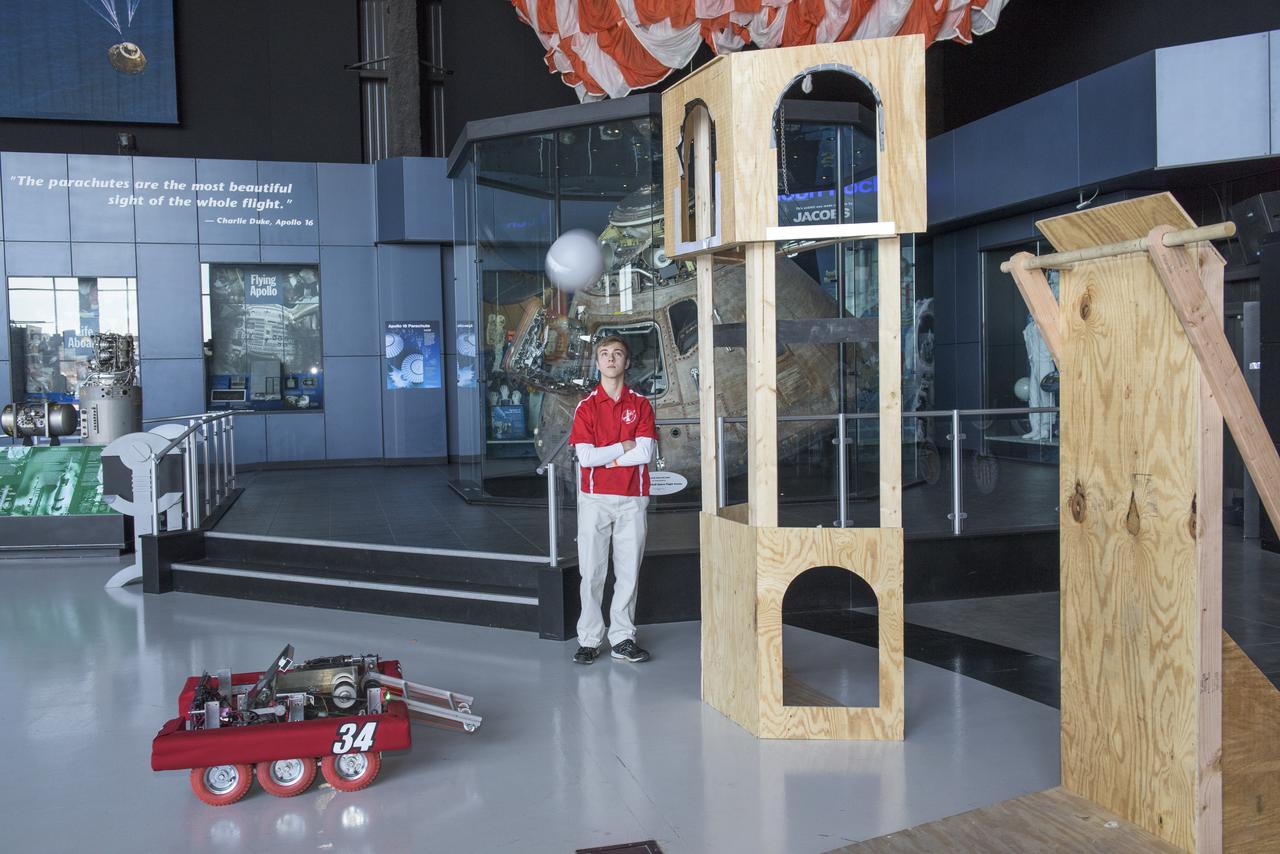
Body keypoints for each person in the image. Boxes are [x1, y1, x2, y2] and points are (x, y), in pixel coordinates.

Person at [569, 335, 656, 664]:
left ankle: (622, 638)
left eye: (617, 354)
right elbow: (587, 458)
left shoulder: (641, 405)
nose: (610, 359)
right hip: (594, 499)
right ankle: (590, 639)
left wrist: (610, 458)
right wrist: (623, 447)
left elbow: (645, 451)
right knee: (591, 572)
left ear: (627, 362)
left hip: (633, 498)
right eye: (604, 354)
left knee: (628, 572)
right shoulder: (586, 407)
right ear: (597, 362)